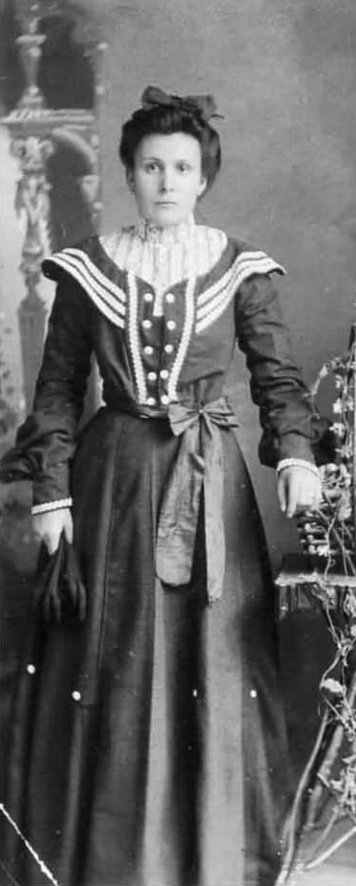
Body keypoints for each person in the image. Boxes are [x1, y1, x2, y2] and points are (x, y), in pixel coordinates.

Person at [0, 86, 322, 886]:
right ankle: (110, 857)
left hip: (208, 481)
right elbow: (57, 391)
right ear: (129, 173)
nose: (167, 181)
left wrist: (296, 456)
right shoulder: (90, 269)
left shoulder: (241, 268)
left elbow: (279, 380)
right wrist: (52, 496)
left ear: (203, 176)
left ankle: (209, 853)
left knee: (211, 658)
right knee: (113, 661)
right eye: (152, 166)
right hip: (113, 481)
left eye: (182, 166)